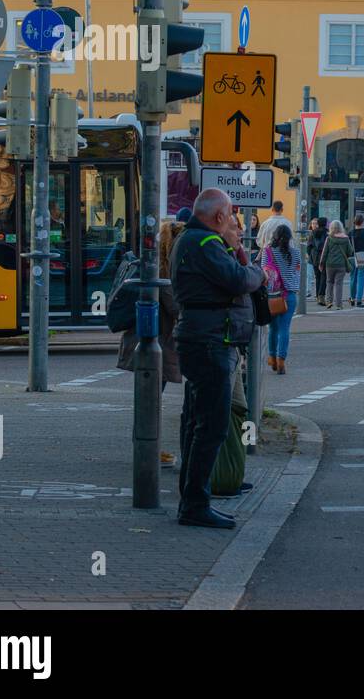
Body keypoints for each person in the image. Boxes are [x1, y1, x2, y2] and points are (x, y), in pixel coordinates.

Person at [170, 188, 265, 530]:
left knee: (198, 422)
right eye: (230, 216)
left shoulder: (192, 240)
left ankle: (193, 499)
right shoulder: (205, 244)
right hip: (209, 342)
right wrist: (257, 272)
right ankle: (195, 504)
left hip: (202, 339)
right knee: (211, 425)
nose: (233, 223)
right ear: (219, 217)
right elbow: (240, 279)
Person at [118, 219, 185, 468]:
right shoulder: (162, 272)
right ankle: (147, 449)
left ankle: (148, 446)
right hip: (154, 345)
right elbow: (176, 307)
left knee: (151, 397)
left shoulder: (157, 267)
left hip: (152, 343)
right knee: (151, 399)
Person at [263, 223, 301, 374]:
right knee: (285, 328)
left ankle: (272, 357)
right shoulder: (296, 253)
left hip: (272, 295)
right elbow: (297, 272)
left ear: (275, 236)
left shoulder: (268, 251)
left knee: (273, 328)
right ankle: (281, 361)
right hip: (289, 295)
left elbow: (265, 272)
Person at [320, 220, 355, 308]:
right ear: (341, 228)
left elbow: (325, 252)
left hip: (330, 264)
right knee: (339, 284)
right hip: (341, 265)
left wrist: (321, 263)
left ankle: (329, 302)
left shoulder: (329, 238)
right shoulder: (346, 238)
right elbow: (350, 252)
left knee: (329, 282)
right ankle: (339, 304)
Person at [350, 213, 364, 306]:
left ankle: (352, 298)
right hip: (363, 257)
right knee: (361, 278)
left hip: (352, 257)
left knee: (353, 278)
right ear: (363, 222)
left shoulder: (350, 233)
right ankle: (359, 300)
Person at [309, 217, 329, 305]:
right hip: (323, 256)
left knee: (317, 277)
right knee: (323, 276)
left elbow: (308, 246)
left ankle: (317, 296)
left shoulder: (313, 232)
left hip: (314, 256)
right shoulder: (327, 233)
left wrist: (311, 255)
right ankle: (321, 296)